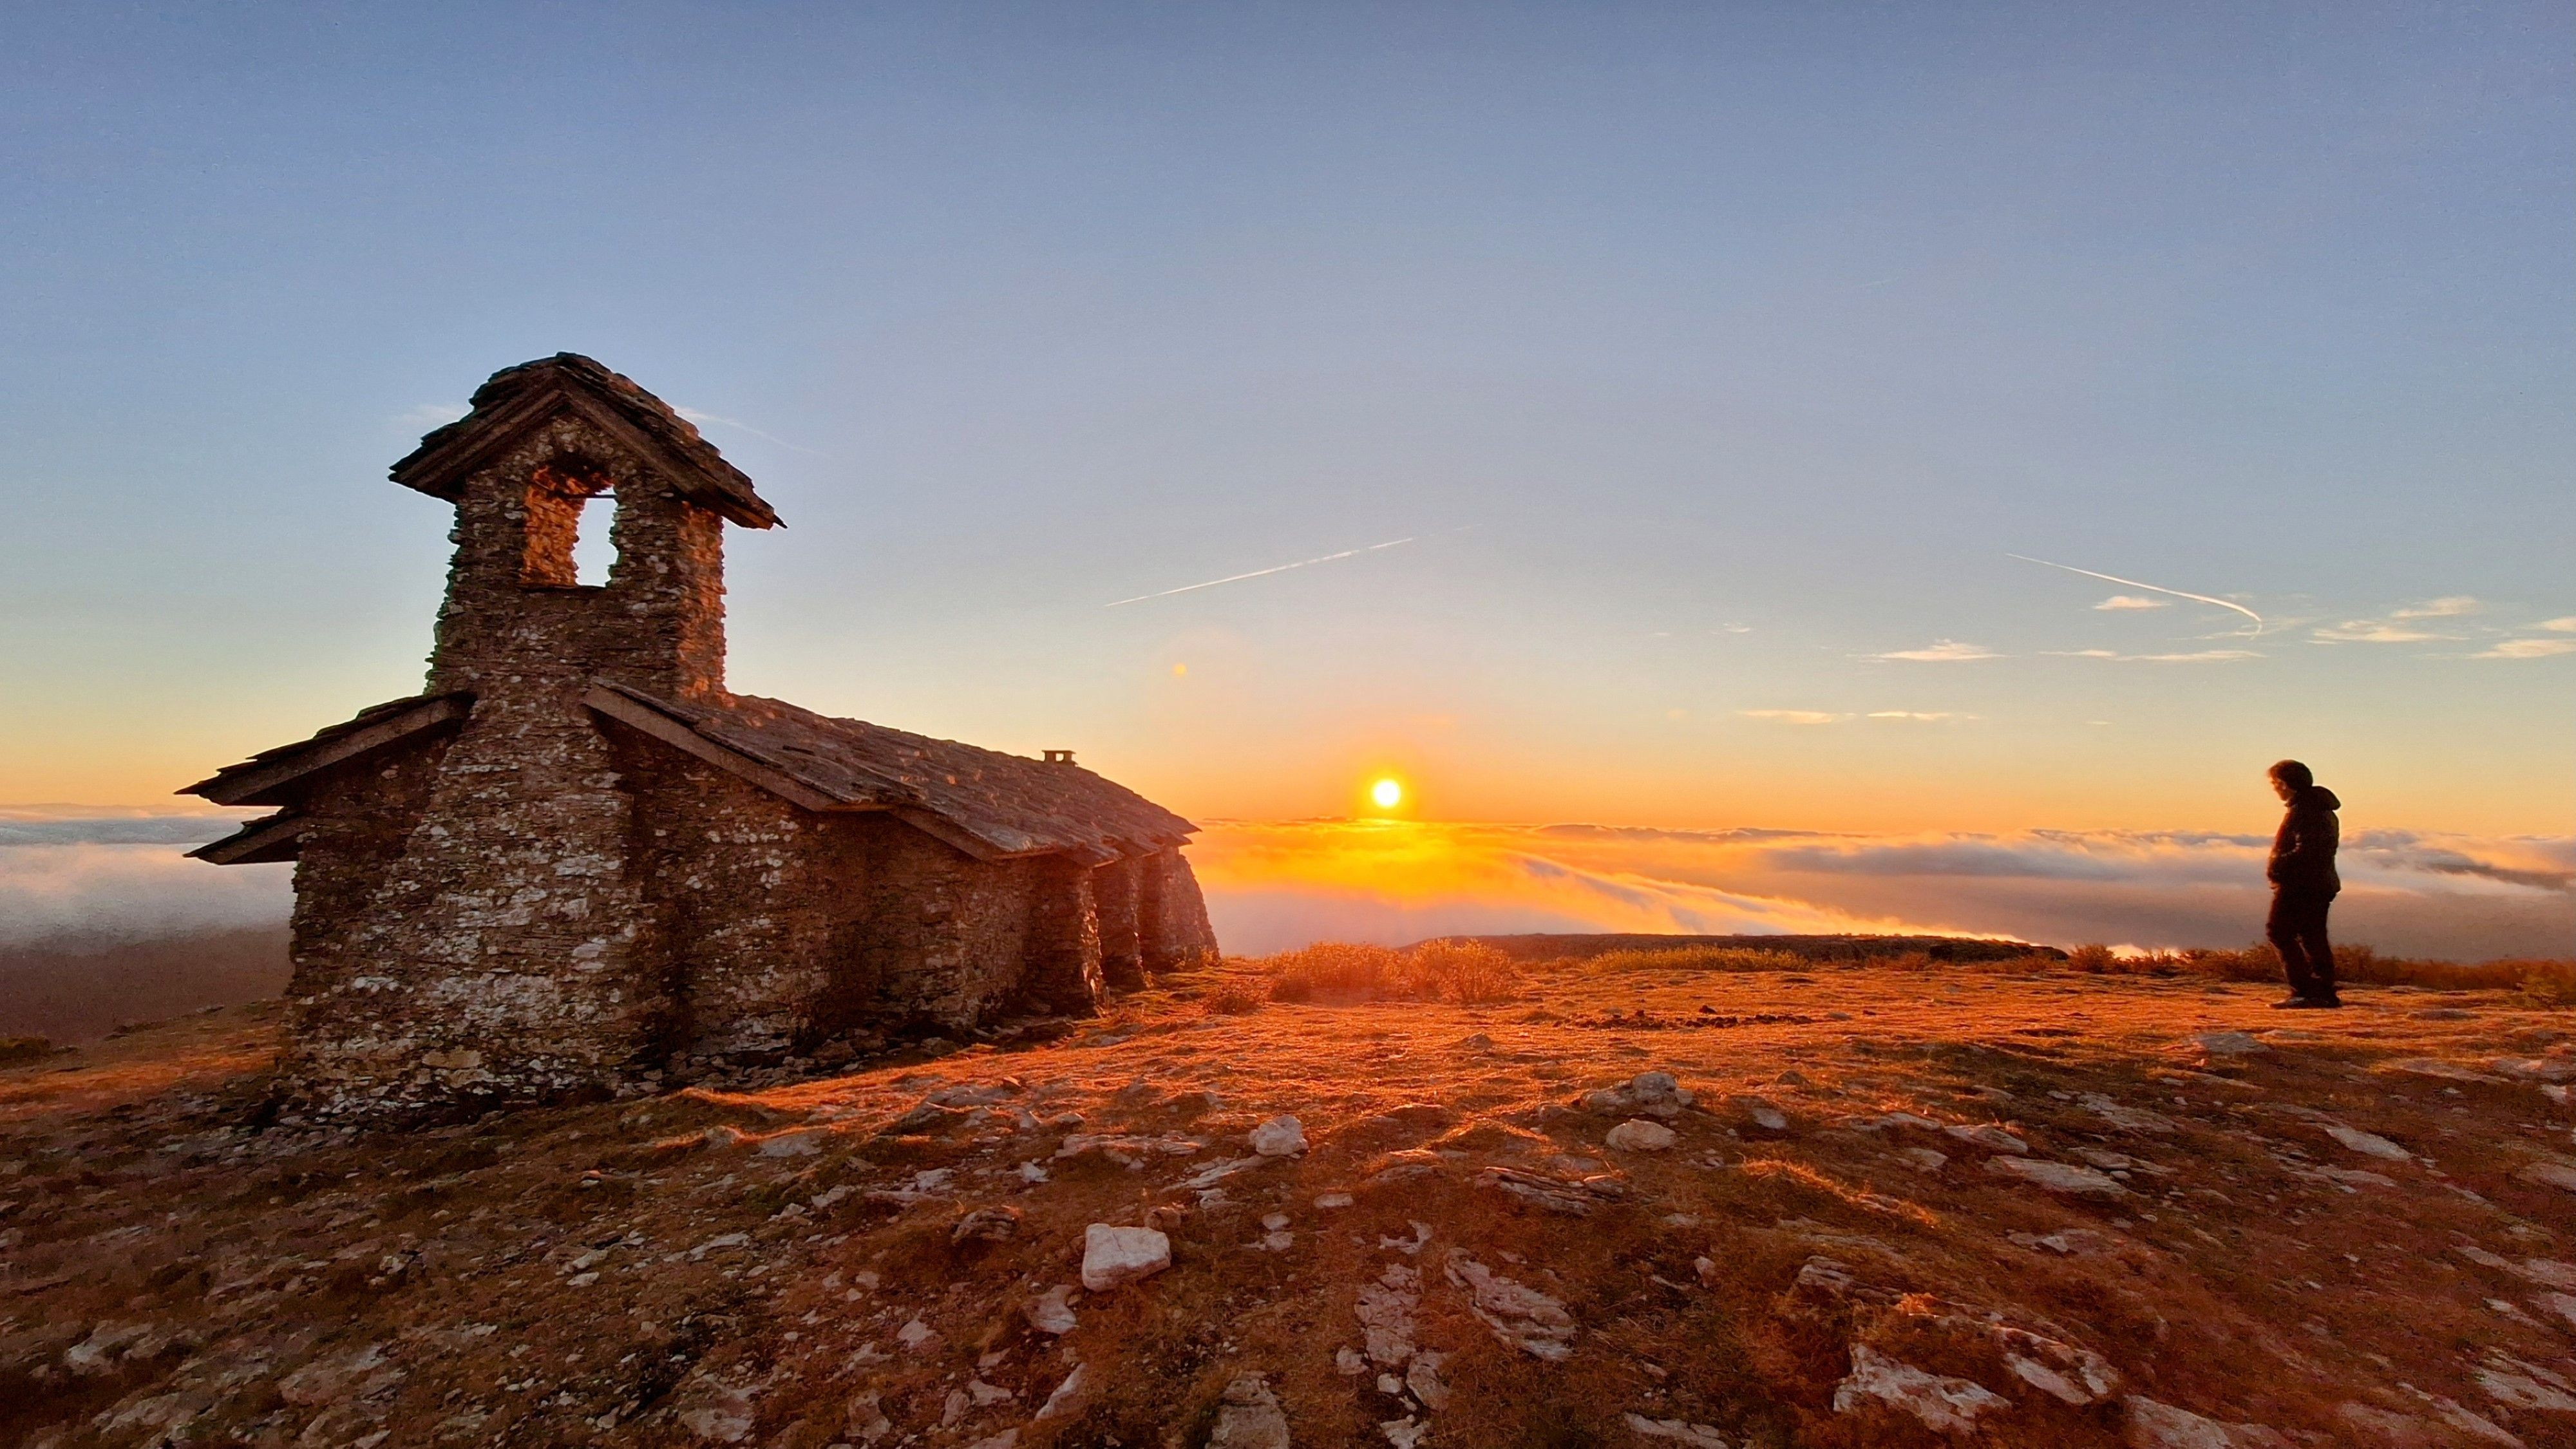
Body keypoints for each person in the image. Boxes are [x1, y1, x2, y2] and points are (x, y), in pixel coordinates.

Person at [2265, 759, 2342, 1009]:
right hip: (2319, 884)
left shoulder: (2305, 811)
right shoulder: (2317, 807)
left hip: (2301, 885)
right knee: (2313, 936)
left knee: (2279, 932)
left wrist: (2278, 866)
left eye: (2276, 783)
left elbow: (2309, 851)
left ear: (2286, 784)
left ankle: (2305, 990)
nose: (2275, 788)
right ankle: (2322, 991)